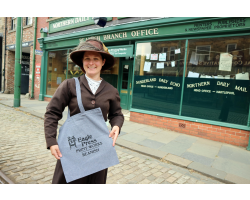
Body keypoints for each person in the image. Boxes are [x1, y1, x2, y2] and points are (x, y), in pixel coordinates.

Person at [44, 37, 124, 184]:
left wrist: (116, 125)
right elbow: (52, 112)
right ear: (82, 62)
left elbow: (117, 114)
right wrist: (51, 140)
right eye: (87, 58)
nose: (91, 63)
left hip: (99, 149)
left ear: (103, 62)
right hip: (73, 148)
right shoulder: (69, 85)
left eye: (96, 58)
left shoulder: (111, 91)